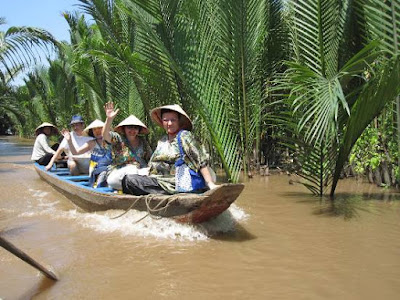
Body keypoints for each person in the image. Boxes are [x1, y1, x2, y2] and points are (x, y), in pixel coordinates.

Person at [122, 104, 217, 196]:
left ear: (179, 121)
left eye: (173, 120)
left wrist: (210, 183)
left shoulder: (184, 136)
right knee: (127, 180)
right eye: (166, 120)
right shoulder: (162, 140)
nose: (169, 123)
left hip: (173, 183)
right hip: (157, 180)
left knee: (129, 180)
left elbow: (200, 159)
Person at [102, 102, 153, 190]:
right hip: (119, 174)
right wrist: (109, 119)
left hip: (139, 173)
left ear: (139, 130)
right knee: (131, 169)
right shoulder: (118, 138)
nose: (132, 130)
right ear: (124, 128)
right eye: (129, 127)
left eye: (135, 128)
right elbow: (105, 135)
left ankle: (137, 187)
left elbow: (151, 160)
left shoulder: (143, 142)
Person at [61, 119, 112, 188]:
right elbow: (75, 152)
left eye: (100, 128)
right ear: (92, 132)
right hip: (97, 171)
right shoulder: (91, 143)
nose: (97, 131)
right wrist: (69, 140)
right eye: (94, 129)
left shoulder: (112, 142)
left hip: (109, 170)